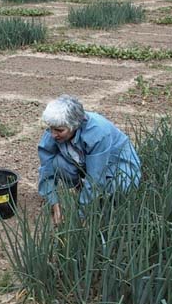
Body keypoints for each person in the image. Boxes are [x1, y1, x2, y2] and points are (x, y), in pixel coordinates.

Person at [37, 95, 142, 226]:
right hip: (86, 161)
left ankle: (100, 205)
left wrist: (81, 216)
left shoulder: (97, 132)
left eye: (59, 131)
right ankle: (83, 192)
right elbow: (46, 167)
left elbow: (95, 178)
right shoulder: (56, 128)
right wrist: (54, 204)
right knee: (57, 164)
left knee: (119, 186)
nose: (53, 134)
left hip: (116, 163)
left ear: (74, 126)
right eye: (50, 128)